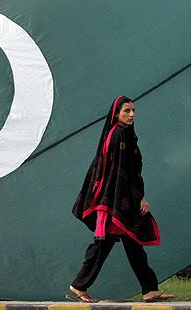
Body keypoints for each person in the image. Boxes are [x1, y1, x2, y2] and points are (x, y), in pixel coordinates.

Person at [68, 96, 174, 303]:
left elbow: (126, 170)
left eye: (133, 110)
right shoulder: (119, 135)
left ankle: (149, 289)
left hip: (117, 199)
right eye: (126, 111)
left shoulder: (121, 133)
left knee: (132, 242)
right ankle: (79, 285)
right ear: (116, 114)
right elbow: (124, 172)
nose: (132, 114)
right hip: (114, 201)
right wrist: (139, 197)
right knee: (104, 243)